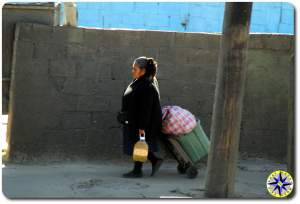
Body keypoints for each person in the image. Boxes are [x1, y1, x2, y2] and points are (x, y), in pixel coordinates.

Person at [118, 56, 163, 178]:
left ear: (143, 70)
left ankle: (138, 171)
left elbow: (146, 110)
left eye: (135, 68)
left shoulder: (147, 86)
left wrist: (142, 126)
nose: (132, 71)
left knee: (138, 143)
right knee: (137, 143)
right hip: (136, 120)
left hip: (144, 122)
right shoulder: (139, 82)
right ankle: (154, 161)